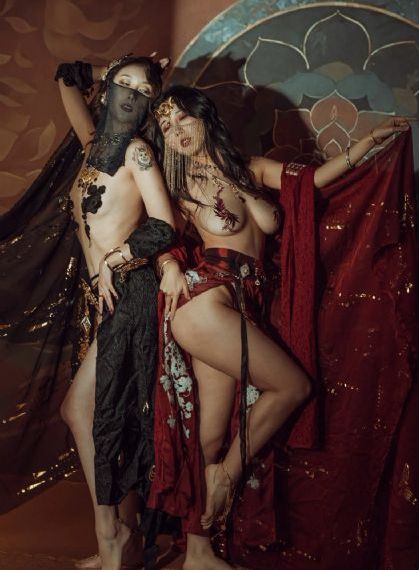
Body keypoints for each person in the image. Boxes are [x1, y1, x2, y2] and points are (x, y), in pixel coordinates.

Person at [147, 86, 412, 570]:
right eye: (166, 126)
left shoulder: (249, 168)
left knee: (210, 436)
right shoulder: (176, 185)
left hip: (241, 305)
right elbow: (159, 231)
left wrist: (367, 143)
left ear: (204, 118)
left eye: (183, 118)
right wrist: (166, 264)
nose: (176, 130)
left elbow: (310, 182)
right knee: (292, 387)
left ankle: (197, 552)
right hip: (204, 302)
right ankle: (227, 476)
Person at [54, 55, 183, 570]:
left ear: (150, 104)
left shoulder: (138, 152)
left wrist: (116, 258)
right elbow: (65, 77)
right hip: (97, 300)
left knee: (84, 410)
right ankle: (118, 533)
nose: (131, 94)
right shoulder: (91, 145)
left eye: (143, 89)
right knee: (103, 414)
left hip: (129, 291)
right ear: (106, 91)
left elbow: (165, 226)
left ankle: (112, 534)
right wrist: (112, 67)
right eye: (123, 85)